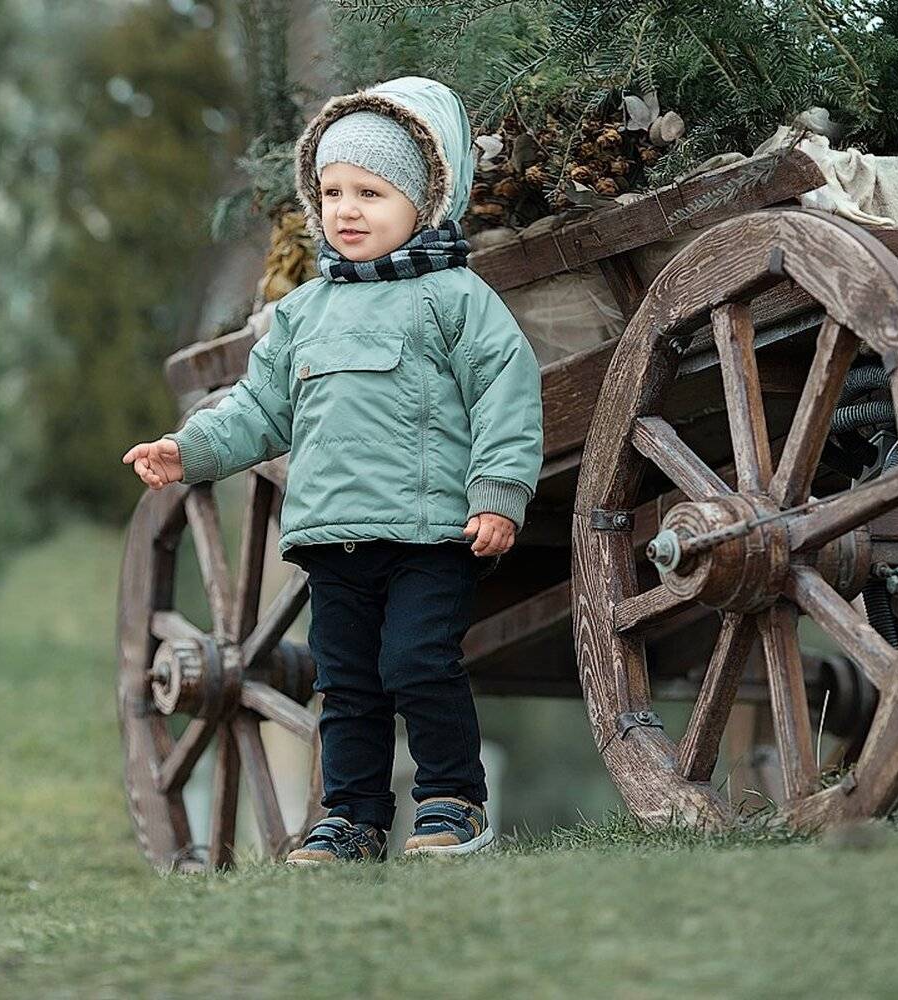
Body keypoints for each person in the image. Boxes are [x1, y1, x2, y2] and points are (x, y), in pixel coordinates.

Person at [122, 76, 542, 863]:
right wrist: (190, 450)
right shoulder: (301, 313)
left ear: (426, 201)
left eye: (371, 193)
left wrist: (496, 495)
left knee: (418, 663)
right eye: (333, 192)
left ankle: (454, 804)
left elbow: (505, 395)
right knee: (346, 687)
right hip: (332, 539)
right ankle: (351, 819)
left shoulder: (455, 299)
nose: (346, 210)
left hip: (428, 535)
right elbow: (258, 409)